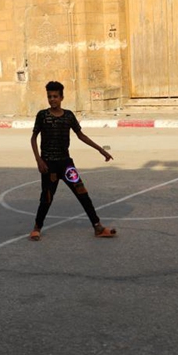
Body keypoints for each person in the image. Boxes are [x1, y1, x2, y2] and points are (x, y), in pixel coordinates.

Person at [29, 81, 116, 241]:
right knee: (46, 198)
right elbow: (33, 138)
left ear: (62, 97)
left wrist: (100, 149)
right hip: (49, 166)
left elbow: (81, 135)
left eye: (55, 96)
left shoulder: (68, 116)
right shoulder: (42, 115)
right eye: (49, 96)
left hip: (66, 165)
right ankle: (37, 227)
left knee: (83, 194)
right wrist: (39, 160)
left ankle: (98, 227)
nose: (52, 99)